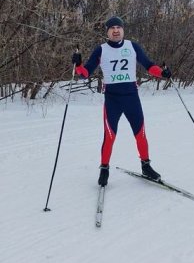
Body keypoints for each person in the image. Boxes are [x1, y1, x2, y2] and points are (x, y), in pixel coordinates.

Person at [72, 16, 171, 187]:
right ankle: (104, 169)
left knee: (140, 134)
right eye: (112, 28)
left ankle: (146, 166)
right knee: (109, 136)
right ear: (107, 32)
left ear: (123, 30)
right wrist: (78, 64)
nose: (116, 30)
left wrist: (162, 74)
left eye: (119, 27)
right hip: (112, 99)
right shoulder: (100, 50)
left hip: (132, 97)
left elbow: (149, 65)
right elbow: (85, 73)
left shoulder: (132, 46)